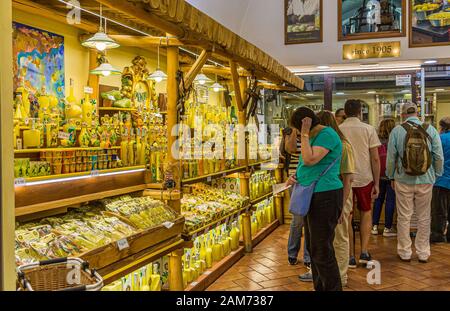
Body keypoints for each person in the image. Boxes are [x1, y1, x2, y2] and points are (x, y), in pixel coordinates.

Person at [286, 107, 343, 291]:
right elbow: (305, 165)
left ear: (306, 123)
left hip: (326, 195)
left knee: (322, 249)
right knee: (313, 246)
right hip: (313, 195)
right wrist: (296, 177)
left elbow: (310, 159)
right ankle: (321, 287)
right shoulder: (312, 137)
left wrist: (303, 134)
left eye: (300, 129)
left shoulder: (327, 134)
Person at [387, 103, 443, 263]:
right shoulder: (430, 129)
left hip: (403, 179)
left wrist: (391, 176)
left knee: (404, 216)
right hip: (426, 179)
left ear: (402, 114)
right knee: (424, 217)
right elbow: (438, 156)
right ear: (418, 113)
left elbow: (391, 158)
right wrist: (436, 175)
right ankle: (423, 252)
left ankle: (405, 252)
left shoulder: (397, 131)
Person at [340, 99, 381, 268]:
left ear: (344, 112)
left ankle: (349, 256)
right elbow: (375, 158)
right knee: (366, 212)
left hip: (344, 178)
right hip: (365, 177)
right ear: (360, 111)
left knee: (347, 216)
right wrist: (377, 183)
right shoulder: (368, 129)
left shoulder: (338, 130)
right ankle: (364, 252)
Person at [316, 111, 355, 287]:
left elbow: (348, 179)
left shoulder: (343, 145)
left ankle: (341, 275)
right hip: (326, 196)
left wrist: (342, 205)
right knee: (324, 239)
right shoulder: (322, 145)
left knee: (340, 237)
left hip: (339, 196)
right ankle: (327, 275)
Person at [283, 127, 311, 267]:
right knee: (297, 220)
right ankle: (292, 253)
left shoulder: (312, 136)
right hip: (295, 181)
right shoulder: (291, 134)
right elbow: (290, 149)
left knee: (309, 221)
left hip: (310, 181)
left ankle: (308, 256)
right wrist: (294, 131)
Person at [372, 119, 397, 237]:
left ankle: (374, 226)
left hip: (378, 174)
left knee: (378, 200)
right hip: (391, 175)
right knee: (390, 201)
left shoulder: (376, 140)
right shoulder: (395, 140)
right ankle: (387, 228)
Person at [431, 117, 450, 243]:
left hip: (441, 180)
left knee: (439, 211)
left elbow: (434, 158)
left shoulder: (440, 138)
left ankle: (438, 236)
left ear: (442, 127)